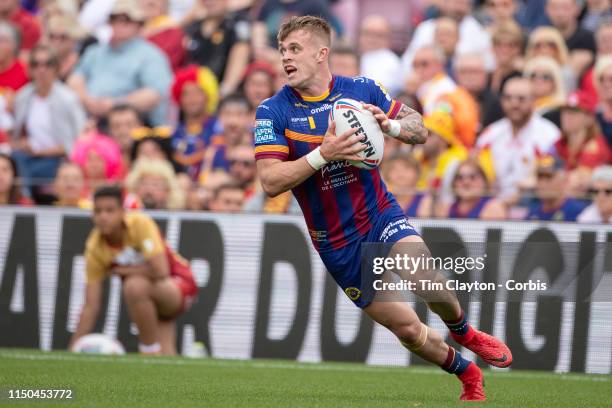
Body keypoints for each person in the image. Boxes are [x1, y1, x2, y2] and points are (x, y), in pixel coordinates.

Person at [254, 16, 513, 402]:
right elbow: (271, 180)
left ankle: (464, 331)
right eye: (282, 51)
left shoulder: (361, 89)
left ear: (322, 53)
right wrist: (323, 155)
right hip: (337, 242)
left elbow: (418, 128)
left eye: (295, 49)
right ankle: (468, 373)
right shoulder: (272, 111)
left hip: (378, 214)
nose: (286, 58)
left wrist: (390, 128)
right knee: (408, 330)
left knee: (424, 275)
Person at [69, 185, 198, 355]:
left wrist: (123, 271)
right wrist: (73, 347)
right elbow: (90, 305)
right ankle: (160, 357)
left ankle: (148, 349)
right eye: (98, 211)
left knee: (134, 285)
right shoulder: (94, 247)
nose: (103, 217)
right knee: (167, 361)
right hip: (149, 296)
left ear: (122, 211)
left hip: (178, 283)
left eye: (110, 210)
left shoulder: (140, 223)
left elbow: (161, 271)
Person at [68, 0, 173, 126]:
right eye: (114, 19)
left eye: (126, 20)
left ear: (139, 24)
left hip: (131, 124)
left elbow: (156, 93)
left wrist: (115, 104)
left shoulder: (150, 55)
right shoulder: (95, 51)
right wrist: (86, 100)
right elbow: (75, 78)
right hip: (90, 117)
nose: (119, 25)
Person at [11, 44, 86, 200]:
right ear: (30, 69)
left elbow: (79, 137)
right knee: (13, 160)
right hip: (28, 156)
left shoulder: (68, 99)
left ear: (56, 68)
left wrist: (43, 152)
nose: (41, 70)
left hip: (59, 158)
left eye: (47, 64)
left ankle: (25, 199)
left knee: (27, 170)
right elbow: (17, 134)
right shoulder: (23, 96)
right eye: (36, 64)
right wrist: (23, 144)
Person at [477, 77, 561, 203]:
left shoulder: (549, 135)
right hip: (492, 206)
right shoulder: (490, 134)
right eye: (508, 98)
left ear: (533, 100)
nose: (514, 104)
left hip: (532, 204)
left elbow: (551, 178)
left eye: (521, 99)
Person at [183, 0, 250, 97]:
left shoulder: (236, 22)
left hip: (223, 94)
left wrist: (225, 90)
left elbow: (241, 53)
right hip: (195, 95)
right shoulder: (194, 26)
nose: (210, 2)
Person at [525, 154, 588, 221]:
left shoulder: (579, 212)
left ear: (564, 181)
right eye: (539, 177)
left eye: (548, 177)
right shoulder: (533, 212)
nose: (542, 184)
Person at [438, 159, 507, 220]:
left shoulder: (494, 207)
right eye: (460, 177)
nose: (466, 182)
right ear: (454, 182)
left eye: (472, 177)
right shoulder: (447, 209)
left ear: (484, 181)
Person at [545, 0, 596, 77]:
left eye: (565, 8)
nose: (560, 13)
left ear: (577, 9)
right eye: (554, 8)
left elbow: (571, 73)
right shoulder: (542, 37)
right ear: (546, 9)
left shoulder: (587, 38)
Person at [358, 15, 402, 96]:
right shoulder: (353, 56)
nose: (372, 39)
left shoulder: (391, 61)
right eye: (367, 33)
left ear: (388, 38)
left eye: (378, 35)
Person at [381, 153, 433, 218]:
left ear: (416, 173)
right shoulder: (383, 199)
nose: (400, 173)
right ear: (387, 174)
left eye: (407, 167)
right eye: (394, 168)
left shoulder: (424, 199)